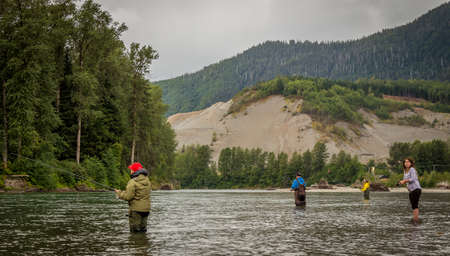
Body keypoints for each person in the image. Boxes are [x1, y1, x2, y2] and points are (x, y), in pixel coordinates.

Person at [115, 162, 151, 232]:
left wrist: (119, 193)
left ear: (135, 171)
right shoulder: (148, 181)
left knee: (135, 232)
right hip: (146, 210)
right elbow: (140, 193)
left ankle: (135, 243)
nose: (130, 171)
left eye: (131, 169)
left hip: (136, 210)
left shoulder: (132, 181)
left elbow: (128, 197)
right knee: (143, 231)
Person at [398, 158, 421, 223]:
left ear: (411, 163)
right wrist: (403, 184)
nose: (406, 163)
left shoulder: (412, 169)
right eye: (405, 162)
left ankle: (415, 220)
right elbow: (405, 180)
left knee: (415, 205)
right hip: (411, 190)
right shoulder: (405, 170)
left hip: (416, 189)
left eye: (408, 162)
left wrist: (404, 181)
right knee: (413, 205)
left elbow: (413, 179)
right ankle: (415, 219)